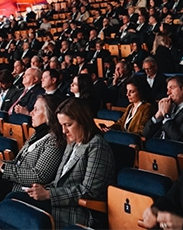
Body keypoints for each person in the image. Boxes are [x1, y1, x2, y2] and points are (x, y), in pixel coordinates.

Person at [9, 98, 116, 228]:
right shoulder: (72, 143)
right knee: (14, 200)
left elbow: (89, 192)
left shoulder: (97, 146)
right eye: (61, 125)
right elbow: (59, 181)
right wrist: (40, 191)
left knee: (18, 208)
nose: (64, 131)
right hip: (59, 203)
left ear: (82, 121)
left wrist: (49, 194)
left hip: (78, 210)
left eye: (68, 125)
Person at [143, 75, 183, 144]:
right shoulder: (169, 105)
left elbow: (179, 139)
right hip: (158, 145)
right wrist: (159, 114)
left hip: (174, 150)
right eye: (167, 89)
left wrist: (166, 115)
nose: (168, 93)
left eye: (172, 88)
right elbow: (146, 133)